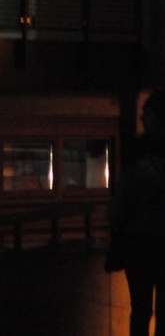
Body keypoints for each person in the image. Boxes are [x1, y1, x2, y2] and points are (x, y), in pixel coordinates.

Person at [108, 88, 165, 336]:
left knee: (140, 309)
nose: (142, 118)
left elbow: (120, 206)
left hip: (139, 243)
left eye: (146, 114)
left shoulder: (138, 160)